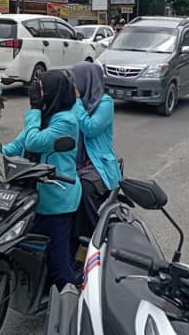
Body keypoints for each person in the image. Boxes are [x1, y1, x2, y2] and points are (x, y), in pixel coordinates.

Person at [0, 70, 81, 290]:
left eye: (41, 90)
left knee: (58, 262)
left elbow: (34, 142)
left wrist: (33, 110)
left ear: (53, 92)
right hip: (32, 194)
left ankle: (70, 303)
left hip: (58, 197)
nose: (37, 95)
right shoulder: (44, 115)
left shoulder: (67, 120)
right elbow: (20, 143)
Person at [68, 62, 122, 244]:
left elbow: (90, 128)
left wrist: (76, 100)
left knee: (83, 189)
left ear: (87, 81)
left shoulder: (105, 103)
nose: (73, 86)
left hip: (97, 165)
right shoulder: (74, 105)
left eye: (75, 81)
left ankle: (96, 238)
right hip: (76, 163)